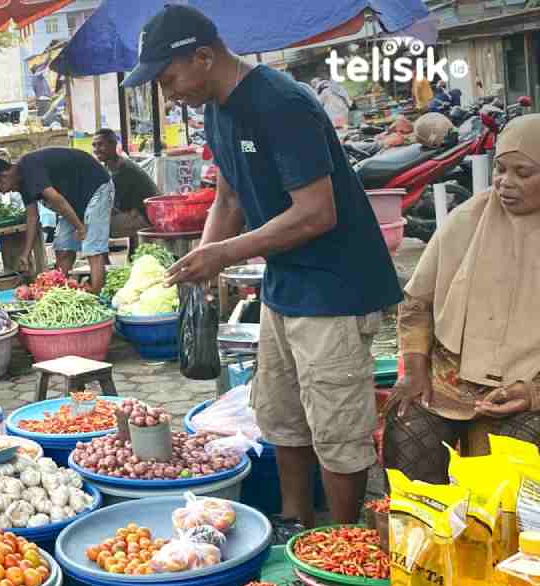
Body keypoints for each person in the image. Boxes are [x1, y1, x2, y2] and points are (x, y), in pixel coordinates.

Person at [131, 5, 402, 531]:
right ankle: (294, 520)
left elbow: (316, 213)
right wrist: (202, 262)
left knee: (337, 428)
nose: (169, 94)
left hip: (334, 288)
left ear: (204, 57)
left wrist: (225, 255)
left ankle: (344, 539)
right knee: (281, 414)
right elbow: (228, 197)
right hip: (286, 285)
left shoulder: (281, 104)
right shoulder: (216, 108)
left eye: (169, 79)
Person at [384, 115, 540, 483]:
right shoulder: (467, 218)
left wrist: (531, 393)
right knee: (407, 430)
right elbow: (417, 304)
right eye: (500, 169)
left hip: (529, 385)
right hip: (448, 382)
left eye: (524, 172)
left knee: (521, 455)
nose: (506, 182)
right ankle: (423, 536)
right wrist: (416, 368)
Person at [0, 147, 114, 293]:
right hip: (73, 202)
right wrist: (26, 253)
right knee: (63, 247)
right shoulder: (21, 183)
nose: (3, 192)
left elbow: (56, 199)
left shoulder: (29, 166)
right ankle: (58, 293)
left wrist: (80, 228)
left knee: (92, 247)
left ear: (3, 176)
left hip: (96, 187)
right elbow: (32, 217)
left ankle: (95, 295)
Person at [91, 128, 160, 246]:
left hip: (147, 218)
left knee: (94, 226)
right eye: (94, 145)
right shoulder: (113, 165)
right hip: (139, 213)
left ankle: (102, 262)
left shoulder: (122, 170)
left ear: (113, 145)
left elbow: (111, 207)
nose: (96, 150)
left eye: (100, 145)